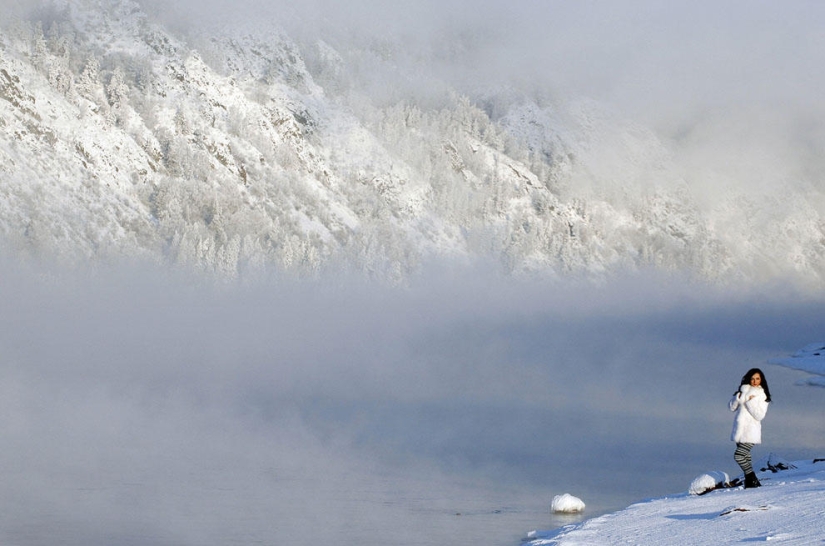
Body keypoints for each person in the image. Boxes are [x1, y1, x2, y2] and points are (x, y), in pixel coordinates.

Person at [729, 368, 771, 488]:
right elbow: (732, 408)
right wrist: (737, 398)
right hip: (739, 430)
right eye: (752, 378)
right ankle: (751, 483)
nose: (754, 381)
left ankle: (751, 478)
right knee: (746, 457)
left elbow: (759, 415)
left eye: (757, 378)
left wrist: (751, 402)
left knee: (739, 455)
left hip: (751, 431)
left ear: (761, 380)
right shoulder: (743, 391)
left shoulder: (762, 395)